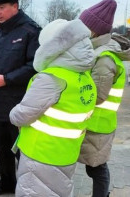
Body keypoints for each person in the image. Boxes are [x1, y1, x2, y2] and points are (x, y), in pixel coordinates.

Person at [9, 18, 97, 197]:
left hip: (40, 155)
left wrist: (12, 112)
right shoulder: (84, 76)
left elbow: (22, 115)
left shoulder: (52, 78)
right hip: (67, 152)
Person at [0, 0, 41, 195]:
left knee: (23, 151)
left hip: (21, 104)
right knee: (3, 147)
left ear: (15, 6)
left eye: (2, 7)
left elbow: (35, 66)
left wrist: (7, 79)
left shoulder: (31, 31)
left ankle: (28, 188)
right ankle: (6, 183)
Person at [78, 1, 130, 196]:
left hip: (97, 124)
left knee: (97, 168)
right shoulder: (96, 52)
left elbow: (97, 96)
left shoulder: (104, 59)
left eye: (84, 25)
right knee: (95, 167)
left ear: (94, 30)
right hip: (95, 122)